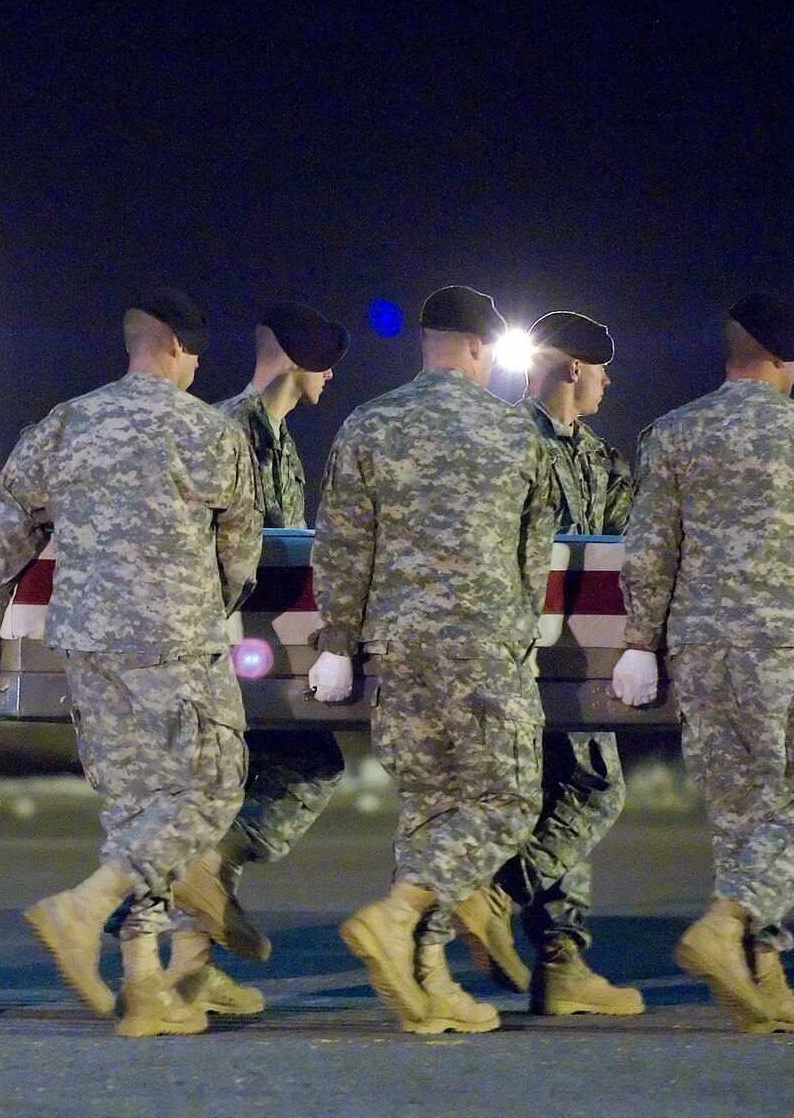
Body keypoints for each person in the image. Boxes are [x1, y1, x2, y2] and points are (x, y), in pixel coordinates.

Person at [0, 288, 263, 1038]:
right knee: (210, 791)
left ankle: (143, 983)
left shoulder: (63, 424)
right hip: (174, 639)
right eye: (194, 353)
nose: (197, 367)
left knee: (139, 810)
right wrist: (211, 603)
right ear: (171, 347)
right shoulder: (208, 432)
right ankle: (86, 907)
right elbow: (238, 551)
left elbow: (6, 528)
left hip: (87, 643)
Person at [314, 285, 556, 1035]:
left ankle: (427, 978)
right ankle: (397, 917)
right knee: (506, 801)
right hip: (484, 643)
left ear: (427, 343)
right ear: (483, 347)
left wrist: (336, 643)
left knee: (429, 809)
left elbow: (342, 546)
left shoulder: (369, 423)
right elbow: (533, 554)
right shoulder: (516, 431)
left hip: (397, 646)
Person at [612, 292, 794, 1034]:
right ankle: (729, 924)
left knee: (742, 812)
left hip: (698, 645)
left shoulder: (673, 432)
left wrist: (641, 641)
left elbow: (649, 552)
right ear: (788, 359)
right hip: (780, 640)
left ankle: (759, 976)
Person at [453, 310, 644, 1017]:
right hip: (515, 656)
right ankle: (495, 897)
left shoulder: (600, 460)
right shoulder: (503, 443)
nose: (607, 381)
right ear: (573, 368)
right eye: (600, 368)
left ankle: (562, 961)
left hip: (579, 658)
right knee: (592, 789)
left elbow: (628, 546)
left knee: (566, 795)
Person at [166, 302, 351, 1017]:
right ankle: (197, 895)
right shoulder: (223, 431)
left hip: (259, 654)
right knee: (304, 765)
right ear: (298, 360)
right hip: (207, 649)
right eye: (324, 359)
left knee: (235, 788)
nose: (331, 374)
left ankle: (191, 963)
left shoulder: (280, 443)